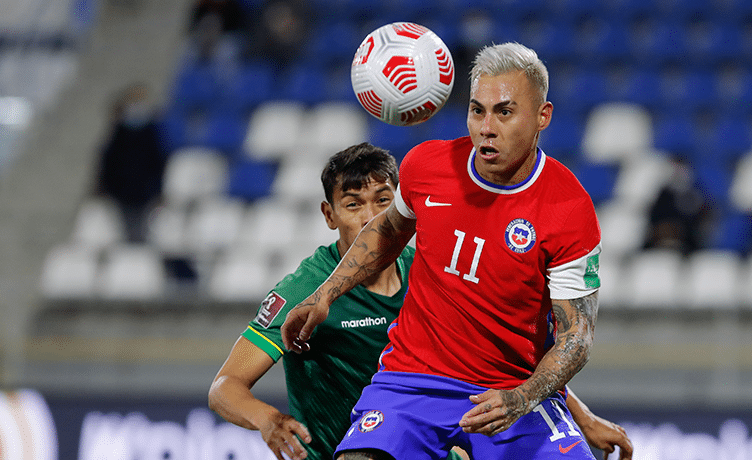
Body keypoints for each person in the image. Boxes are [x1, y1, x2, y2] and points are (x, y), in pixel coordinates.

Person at [282, 43, 620, 459]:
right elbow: (386, 232)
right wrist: (326, 293)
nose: (486, 128)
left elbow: (576, 338)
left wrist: (523, 397)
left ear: (542, 117)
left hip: (509, 389)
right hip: (413, 381)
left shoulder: (569, 209)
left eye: (505, 112)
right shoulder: (427, 166)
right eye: (477, 110)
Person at [210, 143, 633, 460]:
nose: (369, 217)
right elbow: (224, 387)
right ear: (328, 214)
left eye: (382, 201)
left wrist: (579, 413)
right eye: (353, 204)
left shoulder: (432, 266)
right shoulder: (307, 291)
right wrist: (269, 420)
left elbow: (506, 352)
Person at [94, 83, 166, 243]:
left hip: (145, 192)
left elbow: (157, 163)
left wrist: (156, 188)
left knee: (142, 231)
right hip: (122, 192)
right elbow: (109, 162)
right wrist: (105, 186)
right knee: (126, 232)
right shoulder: (119, 133)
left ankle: (138, 255)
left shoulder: (152, 131)